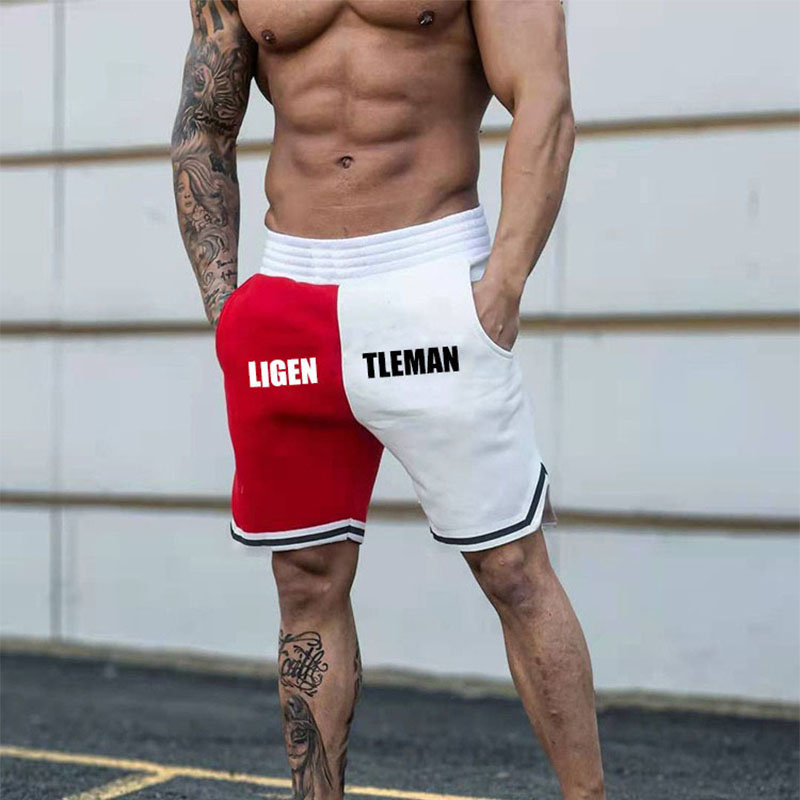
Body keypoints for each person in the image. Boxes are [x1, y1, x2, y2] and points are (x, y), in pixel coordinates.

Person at [170, 1, 605, 797]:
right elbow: (204, 126)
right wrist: (226, 309)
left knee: (512, 567)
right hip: (292, 293)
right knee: (306, 581)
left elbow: (544, 100)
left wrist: (503, 285)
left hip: (431, 277)